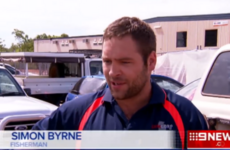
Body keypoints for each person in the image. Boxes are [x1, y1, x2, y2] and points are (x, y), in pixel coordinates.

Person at [32, 17, 208, 149]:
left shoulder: (186, 117)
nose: (112, 72)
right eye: (107, 61)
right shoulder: (77, 114)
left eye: (125, 62)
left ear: (151, 61)